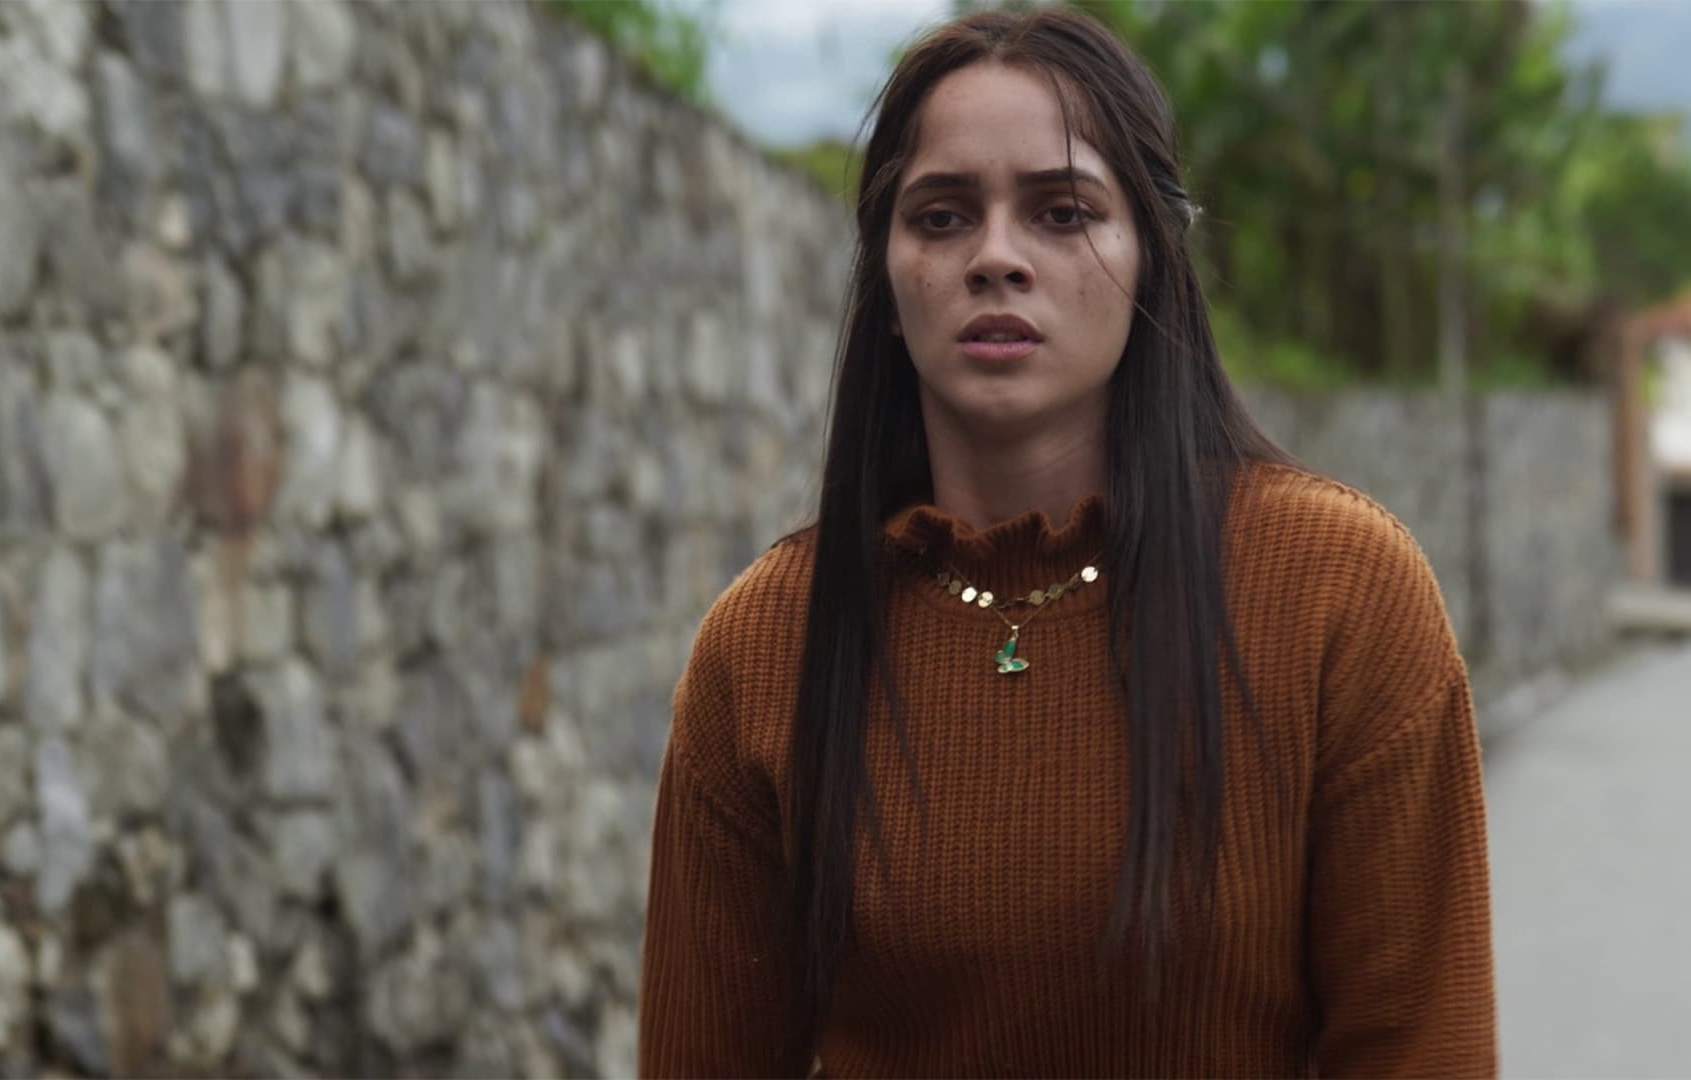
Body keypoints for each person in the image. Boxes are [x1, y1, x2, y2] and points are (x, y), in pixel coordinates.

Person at [636, 7, 1496, 1077]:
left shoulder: (1342, 592)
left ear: (1152, 262)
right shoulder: (766, 648)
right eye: (941, 217)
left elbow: (1420, 1048)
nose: (996, 257)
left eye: (1061, 211)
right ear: (888, 286)